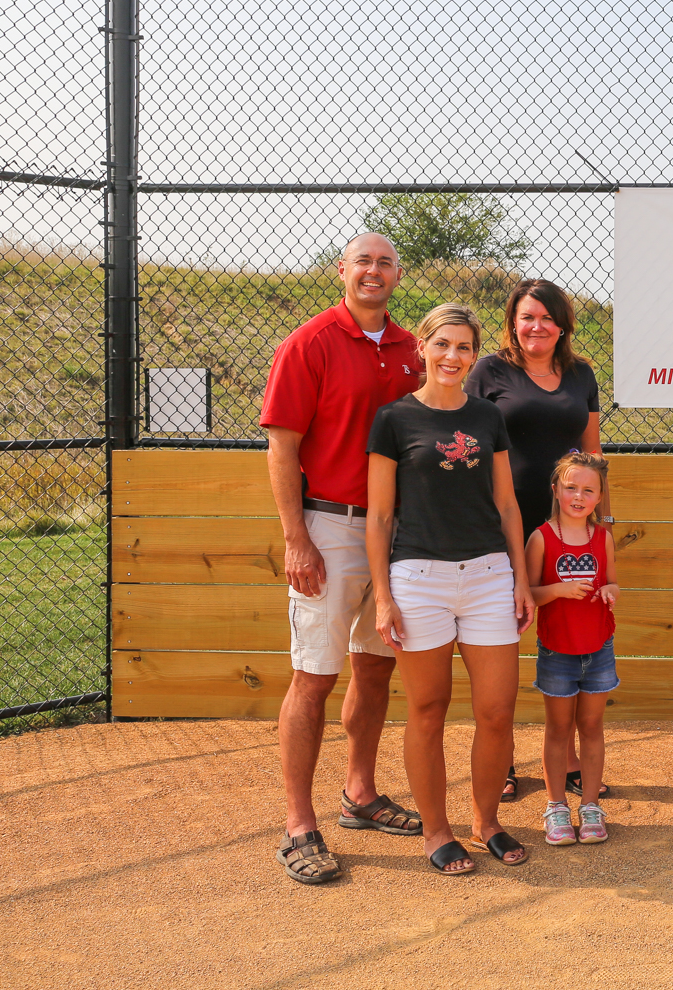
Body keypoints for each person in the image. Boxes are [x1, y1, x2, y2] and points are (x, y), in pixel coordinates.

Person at [260, 232, 423, 886]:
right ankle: (299, 824)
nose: (374, 272)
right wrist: (296, 536)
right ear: (343, 271)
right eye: (364, 261)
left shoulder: (415, 348)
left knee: (375, 668)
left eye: (385, 262)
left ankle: (360, 793)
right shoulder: (310, 343)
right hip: (328, 526)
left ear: (398, 275)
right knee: (315, 676)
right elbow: (282, 447)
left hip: (397, 533)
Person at [366, 303, 533, 875]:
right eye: (442, 345)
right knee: (429, 708)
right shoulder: (393, 419)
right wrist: (384, 595)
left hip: (488, 576)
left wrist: (520, 580)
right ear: (423, 348)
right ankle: (436, 830)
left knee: (495, 710)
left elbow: (508, 504)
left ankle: (486, 821)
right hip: (419, 580)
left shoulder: (488, 418)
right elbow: (380, 517)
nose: (453, 357)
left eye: (464, 348)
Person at [468, 278, 609, 802]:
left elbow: (592, 457)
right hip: (498, 525)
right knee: (499, 640)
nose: (537, 326)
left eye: (548, 318)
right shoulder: (489, 371)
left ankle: (568, 760)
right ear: (513, 321)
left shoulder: (580, 375)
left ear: (563, 325)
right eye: (528, 317)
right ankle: (499, 758)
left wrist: (601, 527)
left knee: (567, 636)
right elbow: (469, 443)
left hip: (564, 531)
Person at [526, 452, 620, 847]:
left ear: (599, 497)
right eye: (570, 488)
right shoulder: (541, 537)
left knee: (593, 727)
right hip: (557, 652)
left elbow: (613, 582)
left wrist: (611, 591)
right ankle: (556, 806)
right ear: (556, 490)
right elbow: (529, 593)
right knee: (559, 729)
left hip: (598, 648)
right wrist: (560, 590)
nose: (578, 496)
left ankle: (592, 805)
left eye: (588, 490)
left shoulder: (603, 538)